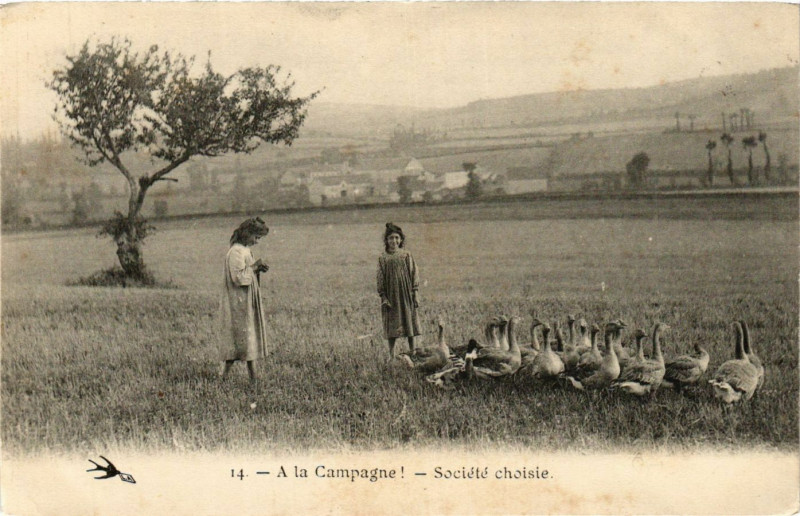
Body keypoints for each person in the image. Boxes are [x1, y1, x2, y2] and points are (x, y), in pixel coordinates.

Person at [220, 217, 270, 383]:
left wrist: (257, 268)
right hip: (238, 302)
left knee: (247, 338)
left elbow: (247, 272)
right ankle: (232, 377)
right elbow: (239, 278)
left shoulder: (244, 250)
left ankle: (250, 377)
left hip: (245, 300)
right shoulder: (235, 252)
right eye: (256, 237)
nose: (257, 241)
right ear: (247, 234)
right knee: (241, 339)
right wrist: (255, 267)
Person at [377, 222, 421, 357]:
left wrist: (415, 292)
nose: (394, 241)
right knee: (392, 325)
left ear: (401, 239)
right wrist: (384, 297)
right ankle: (392, 355)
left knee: (409, 322)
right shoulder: (383, 258)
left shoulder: (406, 255)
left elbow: (414, 273)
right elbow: (380, 278)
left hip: (406, 294)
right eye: (391, 238)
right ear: (386, 240)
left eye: (397, 237)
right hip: (391, 296)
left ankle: (413, 352)